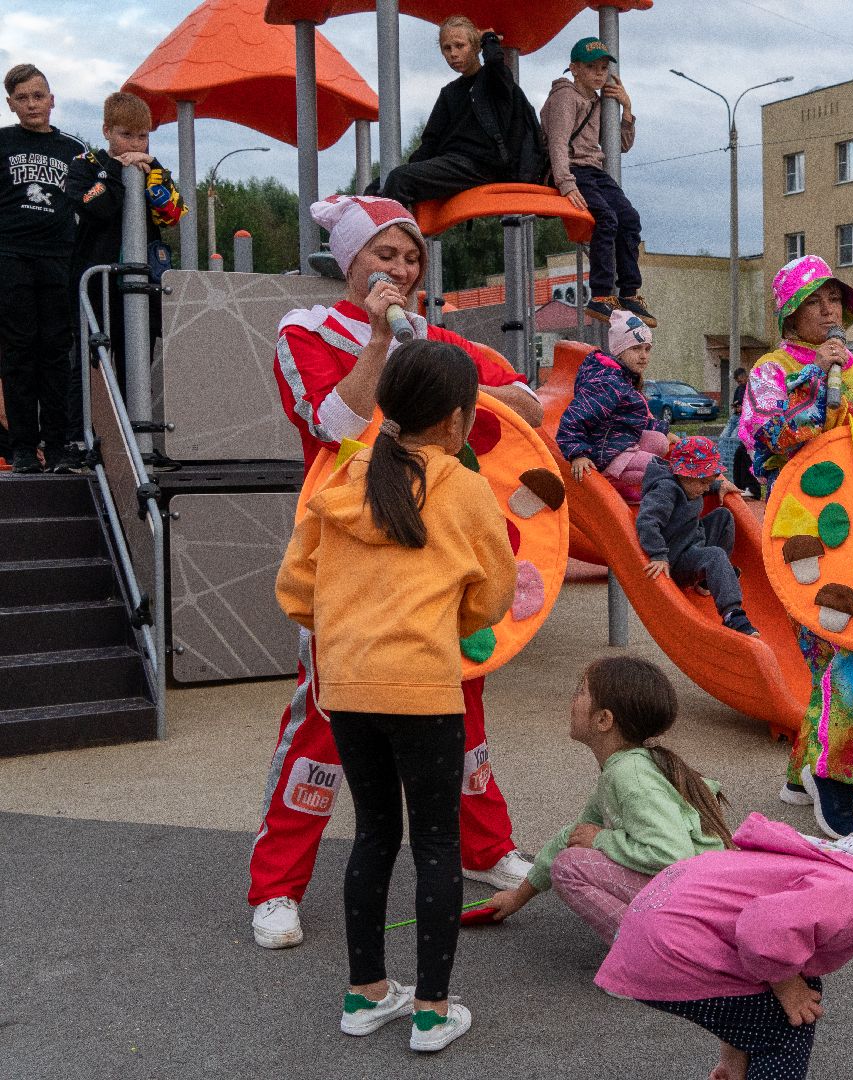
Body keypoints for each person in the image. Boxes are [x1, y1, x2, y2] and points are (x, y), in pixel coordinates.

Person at [251, 195, 541, 952]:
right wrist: (382, 342)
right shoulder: (303, 332)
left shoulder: (439, 336)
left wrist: (481, 391)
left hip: (436, 551)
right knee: (321, 721)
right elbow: (334, 426)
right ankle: (276, 886)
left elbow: (526, 408)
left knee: (462, 702)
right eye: (387, 255)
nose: (403, 270)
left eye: (412, 258)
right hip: (348, 549)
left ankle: (485, 849)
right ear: (351, 260)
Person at [275, 339, 517, 1052]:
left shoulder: (346, 477)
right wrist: (450, 625)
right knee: (437, 843)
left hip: (347, 690)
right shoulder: (461, 485)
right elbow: (494, 594)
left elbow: (295, 590)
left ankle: (366, 994)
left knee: (374, 836)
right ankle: (434, 1011)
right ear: (454, 420)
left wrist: (350, 629)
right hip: (423, 687)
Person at [595, 808, 853, 1080]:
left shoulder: (842, 859)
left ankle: (737, 1067)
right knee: (789, 1022)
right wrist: (787, 986)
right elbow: (763, 932)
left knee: (796, 987)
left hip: (656, 925)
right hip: (672, 950)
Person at [739, 255, 853, 838]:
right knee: (840, 645)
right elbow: (765, 441)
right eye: (816, 302)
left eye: (835, 300)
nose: (830, 312)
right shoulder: (770, 371)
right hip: (801, 531)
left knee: (848, 642)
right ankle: (833, 779)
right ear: (791, 313)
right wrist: (817, 381)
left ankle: (806, 774)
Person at [484, 656, 731, 943]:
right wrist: (517, 897)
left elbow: (673, 854)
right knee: (573, 853)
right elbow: (573, 834)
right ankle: (657, 945)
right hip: (697, 892)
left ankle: (649, 953)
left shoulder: (630, 776)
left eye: (581, 691)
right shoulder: (621, 768)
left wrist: (602, 840)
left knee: (571, 867)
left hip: (699, 900)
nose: (572, 700)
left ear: (603, 720)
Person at [64, 92, 185, 394]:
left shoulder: (152, 170)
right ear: (107, 131)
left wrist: (151, 170)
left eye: (142, 136)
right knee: (92, 362)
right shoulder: (85, 165)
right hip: (97, 285)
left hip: (141, 283)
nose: (134, 143)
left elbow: (173, 215)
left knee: (138, 361)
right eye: (126, 134)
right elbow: (94, 205)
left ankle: (139, 435)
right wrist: (117, 172)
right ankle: (86, 435)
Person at [0, 64, 85, 474]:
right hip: (11, 256)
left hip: (58, 258)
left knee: (55, 353)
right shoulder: (2, 143)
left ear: (52, 99)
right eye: (23, 98)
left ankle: (57, 447)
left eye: (39, 96)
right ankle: (21, 448)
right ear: (11, 104)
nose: (33, 104)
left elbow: (99, 183)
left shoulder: (72, 149)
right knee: (19, 353)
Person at [371, 18, 543, 209]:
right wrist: (398, 174)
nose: (453, 54)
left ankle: (392, 238)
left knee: (399, 179)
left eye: (460, 46)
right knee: (381, 184)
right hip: (452, 165)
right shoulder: (449, 92)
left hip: (483, 165)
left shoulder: (495, 80)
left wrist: (488, 38)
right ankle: (391, 234)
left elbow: (494, 60)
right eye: (447, 48)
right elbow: (430, 144)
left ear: (476, 47)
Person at [541, 37, 653, 326]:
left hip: (595, 171)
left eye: (603, 68)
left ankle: (629, 292)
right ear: (574, 68)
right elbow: (557, 142)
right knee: (606, 217)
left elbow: (620, 146)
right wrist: (566, 183)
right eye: (592, 67)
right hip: (573, 170)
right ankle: (601, 295)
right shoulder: (565, 98)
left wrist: (627, 109)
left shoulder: (598, 102)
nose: (600, 73)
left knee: (629, 218)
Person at [636, 436, 758, 636]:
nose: (705, 488)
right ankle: (732, 616)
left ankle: (707, 581)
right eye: (703, 482)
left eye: (709, 482)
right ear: (683, 474)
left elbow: (701, 486)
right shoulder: (665, 490)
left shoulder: (689, 483)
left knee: (723, 516)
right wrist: (658, 554)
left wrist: (719, 486)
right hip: (676, 559)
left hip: (693, 540)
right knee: (716, 555)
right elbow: (647, 521)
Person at [556, 307, 667, 500]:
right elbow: (573, 419)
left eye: (647, 349)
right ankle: (612, 479)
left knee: (660, 441)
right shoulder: (607, 383)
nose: (643, 356)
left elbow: (632, 418)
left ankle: (620, 482)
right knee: (663, 471)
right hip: (604, 453)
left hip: (618, 443)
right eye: (635, 348)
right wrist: (578, 453)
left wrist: (661, 428)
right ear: (619, 351)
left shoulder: (623, 378)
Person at [722, 367, 760, 497]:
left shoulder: (753, 388)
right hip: (744, 420)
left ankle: (753, 489)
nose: (740, 383)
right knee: (739, 452)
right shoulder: (740, 389)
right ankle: (740, 487)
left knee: (745, 453)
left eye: (741, 380)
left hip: (751, 425)